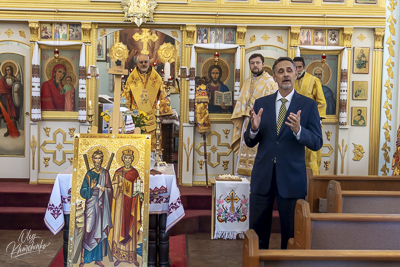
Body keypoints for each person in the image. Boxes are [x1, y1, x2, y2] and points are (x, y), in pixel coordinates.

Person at [244, 57, 322, 250]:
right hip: (263, 176)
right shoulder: (262, 103)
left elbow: (317, 142)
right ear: (274, 77)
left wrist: (299, 131)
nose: (286, 74)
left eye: (290, 70)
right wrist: (253, 129)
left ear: (296, 74)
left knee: (290, 236)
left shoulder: (309, 105)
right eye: (281, 71)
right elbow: (249, 140)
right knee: (257, 233)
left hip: (292, 179)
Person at [231, 53, 277, 176]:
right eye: (252, 63)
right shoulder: (246, 82)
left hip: (262, 123)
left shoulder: (270, 82)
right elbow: (241, 102)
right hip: (247, 122)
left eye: (257, 63)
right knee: (245, 150)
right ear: (250, 65)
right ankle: (243, 181)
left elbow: (273, 105)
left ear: (263, 64)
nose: (255, 65)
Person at [122, 54, 173, 150]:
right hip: (136, 116)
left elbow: (162, 95)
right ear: (137, 63)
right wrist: (126, 112)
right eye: (141, 62)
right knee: (137, 146)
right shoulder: (131, 79)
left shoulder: (156, 78)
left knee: (153, 145)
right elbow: (126, 96)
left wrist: (161, 114)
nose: (143, 64)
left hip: (152, 116)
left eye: (145, 62)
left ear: (149, 63)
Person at [79, 149, 113, 267]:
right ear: (92, 160)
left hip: (102, 204)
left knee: (99, 229)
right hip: (91, 203)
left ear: (102, 160)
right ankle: (84, 258)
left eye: (99, 158)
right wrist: (91, 188)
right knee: (88, 229)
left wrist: (104, 189)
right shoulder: (89, 174)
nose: (97, 161)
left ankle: (97, 259)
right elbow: (82, 192)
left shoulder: (106, 173)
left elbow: (110, 189)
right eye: (95, 158)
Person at [293, 57, 326, 175]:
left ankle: (312, 183)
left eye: (299, 67)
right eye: (295, 67)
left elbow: (321, 102)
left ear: (304, 67)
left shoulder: (313, 80)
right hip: (293, 122)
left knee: (310, 152)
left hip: (309, 122)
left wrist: (319, 119)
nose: (297, 70)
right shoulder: (290, 81)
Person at [111, 149, 143, 266]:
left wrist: (138, 193)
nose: (128, 160)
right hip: (120, 203)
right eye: (126, 158)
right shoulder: (118, 172)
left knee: (131, 228)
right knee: (120, 226)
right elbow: (112, 188)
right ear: (122, 159)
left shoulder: (135, 173)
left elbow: (139, 187)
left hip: (132, 204)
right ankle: (119, 256)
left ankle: (132, 256)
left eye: (130, 158)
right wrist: (118, 185)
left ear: (132, 159)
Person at [0, 65, 20, 137]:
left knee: (12, 116)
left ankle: (15, 131)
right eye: (6, 70)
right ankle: (9, 131)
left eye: (9, 70)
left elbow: (17, 89)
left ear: (12, 70)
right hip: (4, 99)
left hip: (12, 98)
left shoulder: (14, 79)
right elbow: (1, 88)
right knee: (7, 115)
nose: (8, 71)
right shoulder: (3, 79)